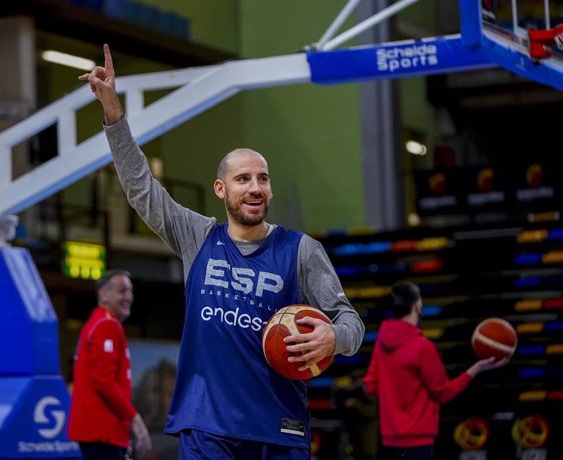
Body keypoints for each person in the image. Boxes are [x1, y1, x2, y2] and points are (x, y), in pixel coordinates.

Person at [77, 44, 364, 460]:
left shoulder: (301, 250)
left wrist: (334, 337)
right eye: (243, 178)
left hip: (278, 424)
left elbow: (350, 322)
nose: (255, 187)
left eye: (262, 179)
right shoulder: (199, 237)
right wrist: (114, 117)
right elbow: (142, 189)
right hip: (208, 423)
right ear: (221, 189)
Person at [363, 282, 507, 460]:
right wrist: (476, 368)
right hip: (418, 442)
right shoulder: (423, 347)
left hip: (388, 441)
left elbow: (370, 386)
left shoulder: (380, 344)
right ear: (417, 306)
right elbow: (443, 393)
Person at [68, 269, 152, 460]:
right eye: (122, 291)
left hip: (101, 432)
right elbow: (103, 381)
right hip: (102, 431)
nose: (129, 297)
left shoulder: (96, 323)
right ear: (104, 294)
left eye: (131, 291)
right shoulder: (107, 325)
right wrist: (134, 419)